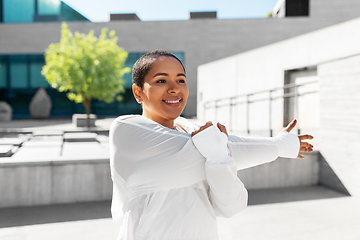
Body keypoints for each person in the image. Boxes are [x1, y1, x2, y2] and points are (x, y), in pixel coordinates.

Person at [109, 50, 313, 240]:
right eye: (161, 80)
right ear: (138, 92)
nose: (174, 88)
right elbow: (225, 150)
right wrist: (278, 146)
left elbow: (232, 205)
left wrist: (219, 156)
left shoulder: (191, 130)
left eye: (181, 80)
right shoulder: (127, 131)